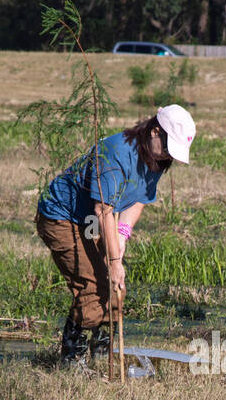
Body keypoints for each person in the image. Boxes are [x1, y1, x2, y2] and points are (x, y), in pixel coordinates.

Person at [35, 104, 196, 364]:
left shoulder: (154, 159)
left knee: (115, 288)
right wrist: (114, 261)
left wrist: (121, 235)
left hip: (93, 219)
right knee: (92, 285)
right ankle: (71, 360)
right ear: (155, 131)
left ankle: (101, 355)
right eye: (168, 148)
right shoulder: (115, 154)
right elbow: (103, 210)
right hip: (63, 216)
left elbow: (139, 198)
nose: (168, 157)